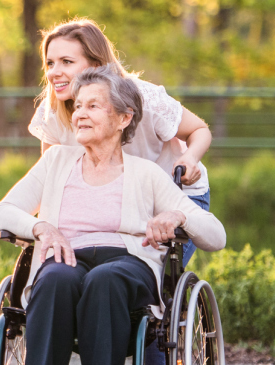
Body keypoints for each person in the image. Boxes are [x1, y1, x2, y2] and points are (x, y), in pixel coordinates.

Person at [0, 66, 225, 365]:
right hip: (65, 257)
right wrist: (40, 226)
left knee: (105, 279)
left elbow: (215, 235)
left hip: (127, 262)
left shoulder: (145, 173)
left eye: (94, 106)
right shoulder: (56, 161)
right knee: (54, 281)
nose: (80, 113)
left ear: (123, 118)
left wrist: (179, 218)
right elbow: (2, 212)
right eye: (78, 106)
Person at [29, 18, 213, 268]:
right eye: (50, 63)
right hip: (115, 202)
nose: (53, 72)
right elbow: (50, 183)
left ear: (96, 65)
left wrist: (190, 158)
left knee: (152, 278)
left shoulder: (142, 98)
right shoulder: (52, 112)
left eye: (67, 62)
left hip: (172, 195)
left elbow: (199, 130)